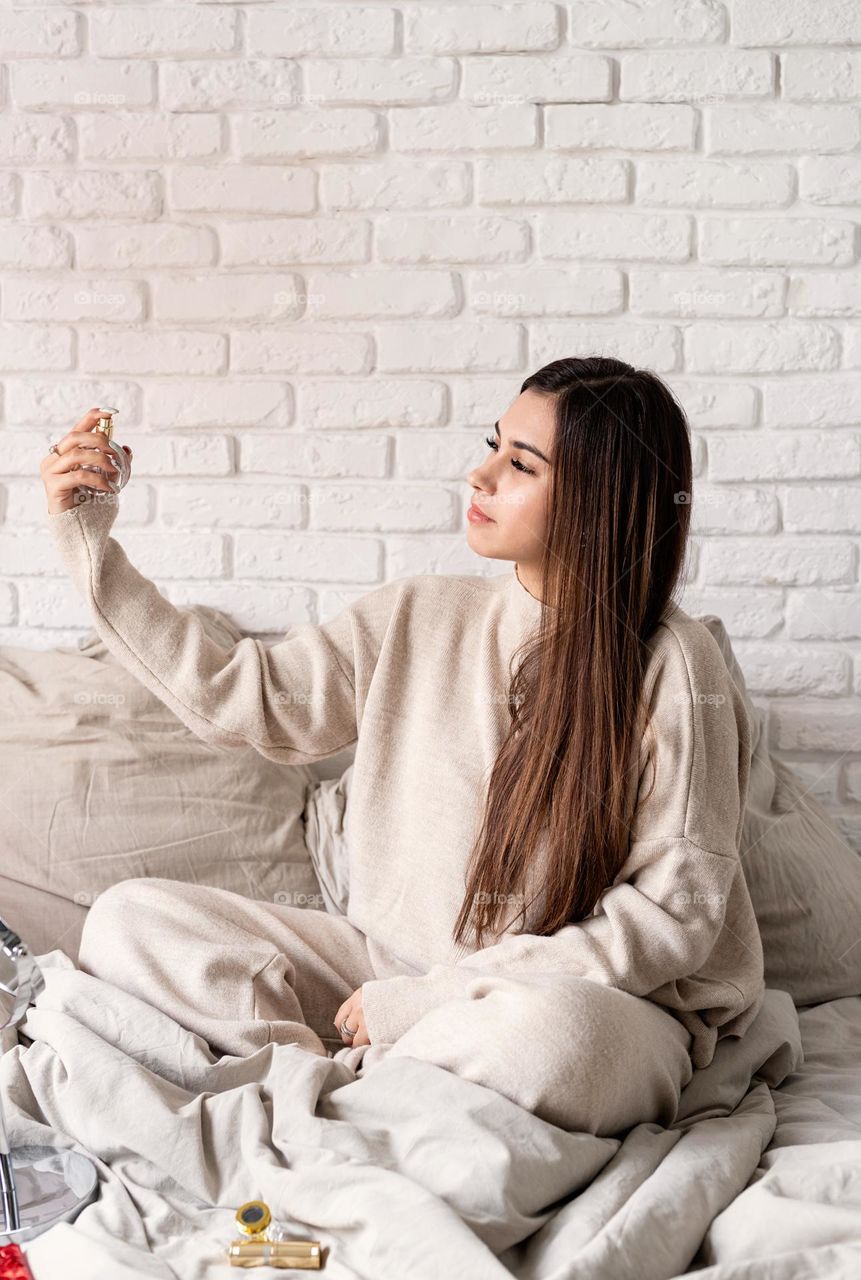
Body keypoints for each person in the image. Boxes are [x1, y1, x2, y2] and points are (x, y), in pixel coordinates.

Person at [38, 356, 766, 1137]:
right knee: (128, 921)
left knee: (558, 1047)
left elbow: (669, 921)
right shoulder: (420, 613)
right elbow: (241, 699)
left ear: (598, 497)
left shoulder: (676, 663)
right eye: (492, 446)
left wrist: (433, 1002)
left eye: (519, 464)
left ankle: (356, 1089)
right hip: (381, 974)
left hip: (577, 1005)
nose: (479, 475)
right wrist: (90, 542)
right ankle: (332, 1089)